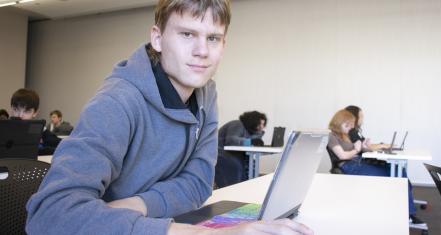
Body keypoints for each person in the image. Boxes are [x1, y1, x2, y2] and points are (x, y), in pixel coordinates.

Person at [26, 1, 313, 235]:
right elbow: (50, 216)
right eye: (187, 34)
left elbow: (199, 183)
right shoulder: (116, 102)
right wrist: (205, 234)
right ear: (158, 38)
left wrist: (135, 205)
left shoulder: (205, 92)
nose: (202, 52)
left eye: (212, 38)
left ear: (224, 44)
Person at [327, 109, 425, 226]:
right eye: (347, 125)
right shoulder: (331, 136)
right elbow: (342, 155)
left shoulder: (349, 134)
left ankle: (406, 211)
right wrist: (357, 149)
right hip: (348, 165)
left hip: (359, 161)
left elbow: (361, 149)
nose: (350, 128)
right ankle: (405, 214)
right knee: (393, 177)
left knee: (398, 170)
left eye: (352, 125)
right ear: (339, 122)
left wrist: (365, 146)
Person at [215, 111, 267, 188]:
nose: (262, 127)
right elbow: (231, 140)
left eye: (263, 124)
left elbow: (250, 142)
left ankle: (247, 189)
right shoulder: (237, 124)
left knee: (251, 165)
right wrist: (251, 141)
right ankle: (233, 189)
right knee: (236, 166)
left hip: (235, 154)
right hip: (221, 152)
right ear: (253, 121)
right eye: (260, 124)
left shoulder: (250, 131)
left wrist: (258, 135)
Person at [9, 88, 61, 155]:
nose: (20, 115)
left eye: (27, 111)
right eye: (16, 109)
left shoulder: (37, 128)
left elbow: (60, 145)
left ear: (35, 113)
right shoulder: (4, 128)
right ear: (11, 108)